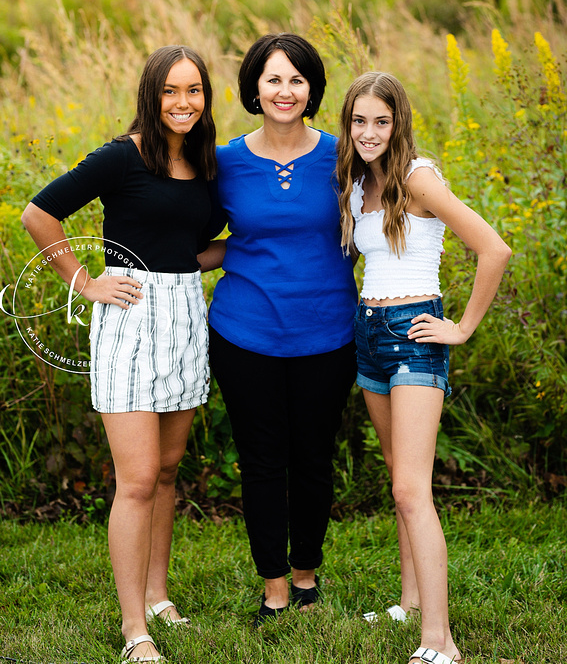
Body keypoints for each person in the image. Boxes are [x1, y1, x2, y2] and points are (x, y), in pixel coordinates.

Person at [21, 45, 223, 663]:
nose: (183, 103)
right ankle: (136, 630)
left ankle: (158, 596)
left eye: (194, 91)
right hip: (130, 321)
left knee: (166, 470)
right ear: (150, 95)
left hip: (187, 317)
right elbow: (39, 214)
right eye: (170, 91)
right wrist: (84, 281)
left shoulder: (205, 163)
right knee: (136, 480)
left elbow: (189, 253)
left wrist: (247, 252)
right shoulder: (122, 157)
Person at [336, 72, 511, 664]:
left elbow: (493, 248)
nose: (368, 132)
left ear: (398, 122)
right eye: (359, 121)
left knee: (413, 490)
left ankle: (441, 641)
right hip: (369, 334)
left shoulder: (419, 177)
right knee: (398, 477)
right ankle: (410, 604)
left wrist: (460, 328)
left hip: (415, 334)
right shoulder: (358, 184)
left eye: (380, 121)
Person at [207, 33, 358, 626]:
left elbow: (392, 207)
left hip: (328, 333)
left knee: (314, 459)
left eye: (297, 79)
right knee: (263, 461)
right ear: (254, 87)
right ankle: (273, 586)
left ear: (312, 89)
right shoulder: (224, 163)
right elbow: (197, 235)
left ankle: (306, 575)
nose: (285, 90)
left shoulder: (346, 156)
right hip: (245, 334)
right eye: (273, 79)